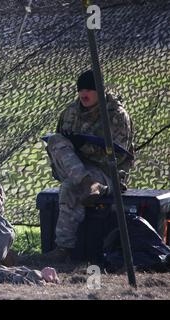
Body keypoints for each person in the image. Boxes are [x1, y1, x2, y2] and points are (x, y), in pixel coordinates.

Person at [39, 70, 134, 262]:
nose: (84, 93)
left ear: (100, 90)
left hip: (106, 171)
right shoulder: (70, 112)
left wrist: (85, 147)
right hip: (78, 169)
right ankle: (87, 183)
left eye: (89, 89)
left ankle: (63, 248)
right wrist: (72, 146)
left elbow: (118, 153)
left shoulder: (115, 114)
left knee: (69, 187)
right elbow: (60, 145)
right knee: (56, 141)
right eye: (81, 89)